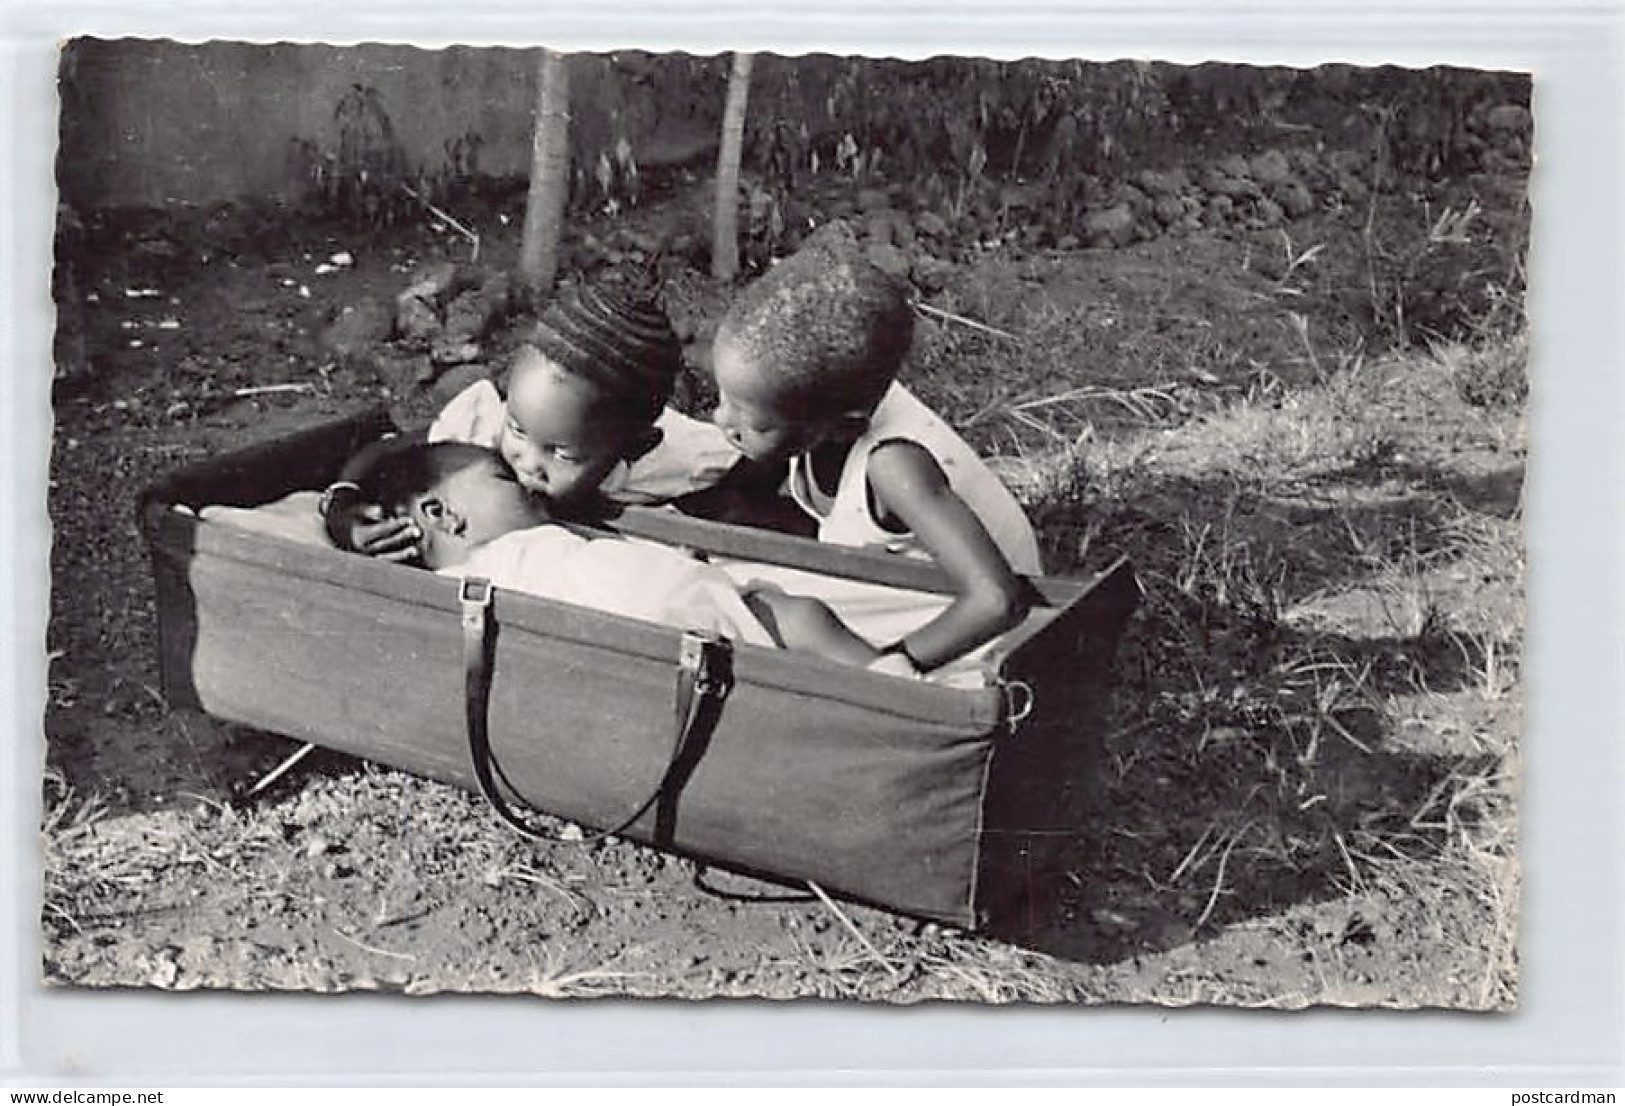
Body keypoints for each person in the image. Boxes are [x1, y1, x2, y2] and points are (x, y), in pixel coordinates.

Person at [703, 228, 1042, 675]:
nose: (721, 421)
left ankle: (901, 692)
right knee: (715, 579)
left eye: (753, 421)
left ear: (843, 426)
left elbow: (997, 599)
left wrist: (899, 662)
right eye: (722, 398)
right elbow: (744, 488)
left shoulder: (895, 464)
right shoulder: (827, 398)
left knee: (741, 607)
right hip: (914, 586)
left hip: (970, 632)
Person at [355, 440, 889, 669]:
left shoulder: (508, 557)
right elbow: (373, 452)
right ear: (442, 515)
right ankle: (908, 688)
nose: (527, 481)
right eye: (503, 478)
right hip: (676, 620)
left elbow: (375, 452)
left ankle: (902, 689)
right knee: (800, 617)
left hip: (670, 619)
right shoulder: (456, 580)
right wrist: (345, 506)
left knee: (794, 618)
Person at [321, 273, 739, 560]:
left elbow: (746, 468)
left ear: (634, 447)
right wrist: (343, 504)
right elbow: (386, 449)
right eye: (518, 429)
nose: (528, 463)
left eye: (561, 454)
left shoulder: (674, 458)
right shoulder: (482, 436)